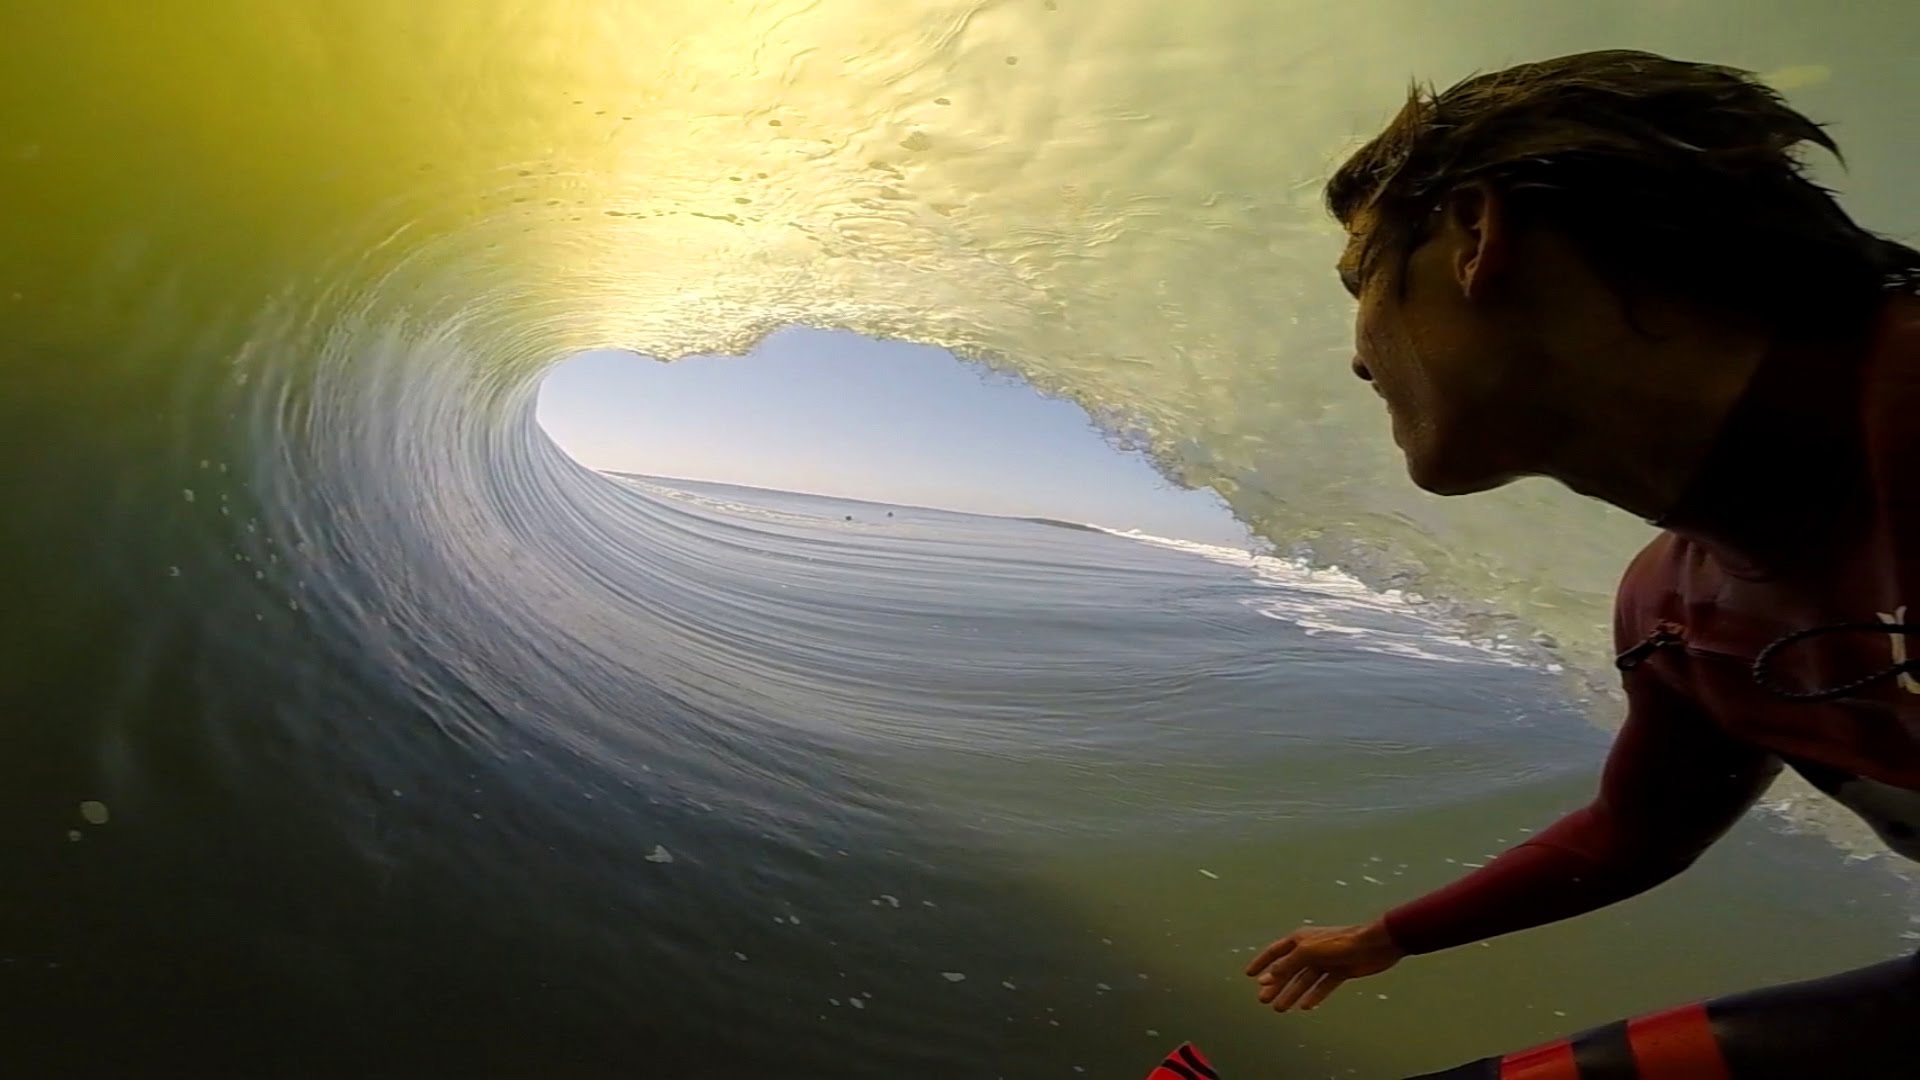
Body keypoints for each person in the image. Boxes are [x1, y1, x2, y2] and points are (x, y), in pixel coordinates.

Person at [1243, 50, 1920, 1077]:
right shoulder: (1678, 612)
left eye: (1362, 283)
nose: (1357, 352)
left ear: (1477, 234)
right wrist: (1386, 938)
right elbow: (1632, 835)